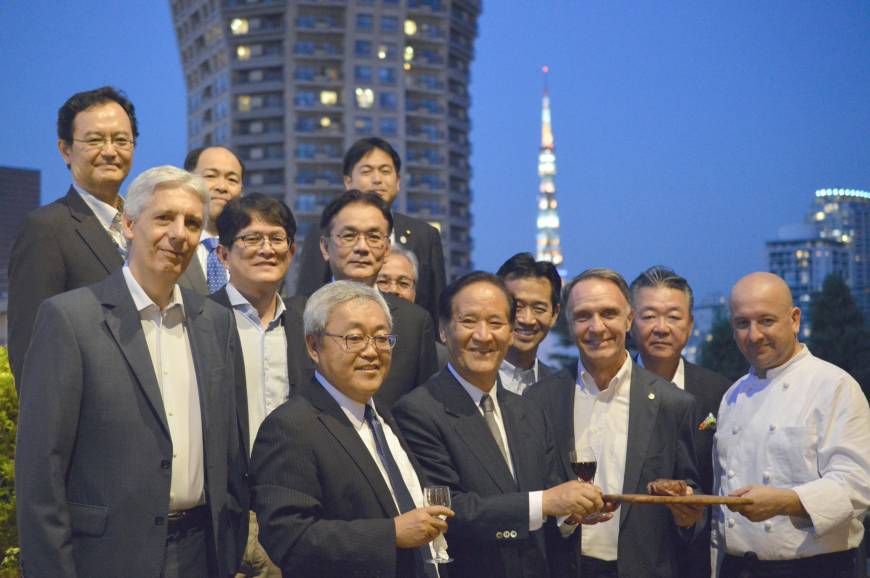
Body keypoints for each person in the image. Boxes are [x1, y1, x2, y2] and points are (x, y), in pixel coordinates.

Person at [15, 166, 247, 578]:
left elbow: (230, 448)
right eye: (164, 218)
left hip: (202, 554)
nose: (179, 233)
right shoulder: (70, 319)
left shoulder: (216, 323)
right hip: (105, 558)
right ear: (128, 224)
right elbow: (40, 470)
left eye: (192, 223)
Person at [393, 272, 608, 578]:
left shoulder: (528, 410)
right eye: (469, 322)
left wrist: (570, 514)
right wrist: (546, 502)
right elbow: (449, 509)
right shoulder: (417, 411)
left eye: (495, 323)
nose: (483, 335)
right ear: (443, 330)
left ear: (510, 332)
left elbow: (550, 496)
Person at [251, 281, 453, 577]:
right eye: (355, 338)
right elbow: (288, 539)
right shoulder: (290, 426)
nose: (372, 351)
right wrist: (391, 534)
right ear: (313, 346)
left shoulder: (381, 413)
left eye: (382, 338)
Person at [525, 268, 702, 578]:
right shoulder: (539, 400)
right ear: (569, 324)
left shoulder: (672, 403)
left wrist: (687, 512)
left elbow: (693, 500)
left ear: (629, 319)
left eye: (609, 313)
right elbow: (530, 495)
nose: (597, 327)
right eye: (583, 316)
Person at [713, 272, 870, 578]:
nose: (754, 335)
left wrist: (785, 502)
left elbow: (857, 485)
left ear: (794, 319)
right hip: (737, 568)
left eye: (766, 321)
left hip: (815, 569)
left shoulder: (834, 385)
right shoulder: (732, 396)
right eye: (742, 323)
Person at [211, 194, 313, 578]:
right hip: (223, 510)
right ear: (223, 254)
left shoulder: (309, 325)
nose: (267, 249)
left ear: (292, 250)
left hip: (294, 506)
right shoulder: (199, 320)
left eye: (277, 238)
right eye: (252, 239)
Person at [8, 86, 138, 383]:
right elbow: (30, 346)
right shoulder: (45, 228)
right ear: (65, 150)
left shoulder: (143, 225)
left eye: (121, 140)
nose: (109, 151)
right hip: (87, 415)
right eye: (94, 140)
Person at [290, 190, 438, 406]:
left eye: (374, 237)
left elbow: (424, 407)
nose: (362, 248)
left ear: (387, 249)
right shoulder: (293, 315)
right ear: (324, 247)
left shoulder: (415, 322)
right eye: (349, 236)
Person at [629, 266, 731, 577]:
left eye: (673, 317)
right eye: (648, 316)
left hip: (698, 556)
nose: (661, 327)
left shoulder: (719, 392)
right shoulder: (611, 388)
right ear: (628, 322)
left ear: (689, 324)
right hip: (630, 554)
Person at [296, 137, 446, 324]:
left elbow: (437, 305)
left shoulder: (424, 234)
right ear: (348, 181)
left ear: (398, 181)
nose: (377, 179)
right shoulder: (324, 228)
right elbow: (309, 291)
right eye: (367, 171)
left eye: (385, 171)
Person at [180, 146, 245, 294]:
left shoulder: (253, 249)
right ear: (186, 181)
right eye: (210, 176)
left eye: (232, 179)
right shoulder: (169, 243)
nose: (222, 187)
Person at [495, 252, 562, 394]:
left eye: (538, 309)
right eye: (517, 307)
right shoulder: (470, 378)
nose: (527, 320)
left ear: (555, 314)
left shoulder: (561, 390)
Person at [377, 245, 448, 368]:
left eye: (403, 283)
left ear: (414, 292)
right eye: (383, 282)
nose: (393, 290)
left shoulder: (439, 357)